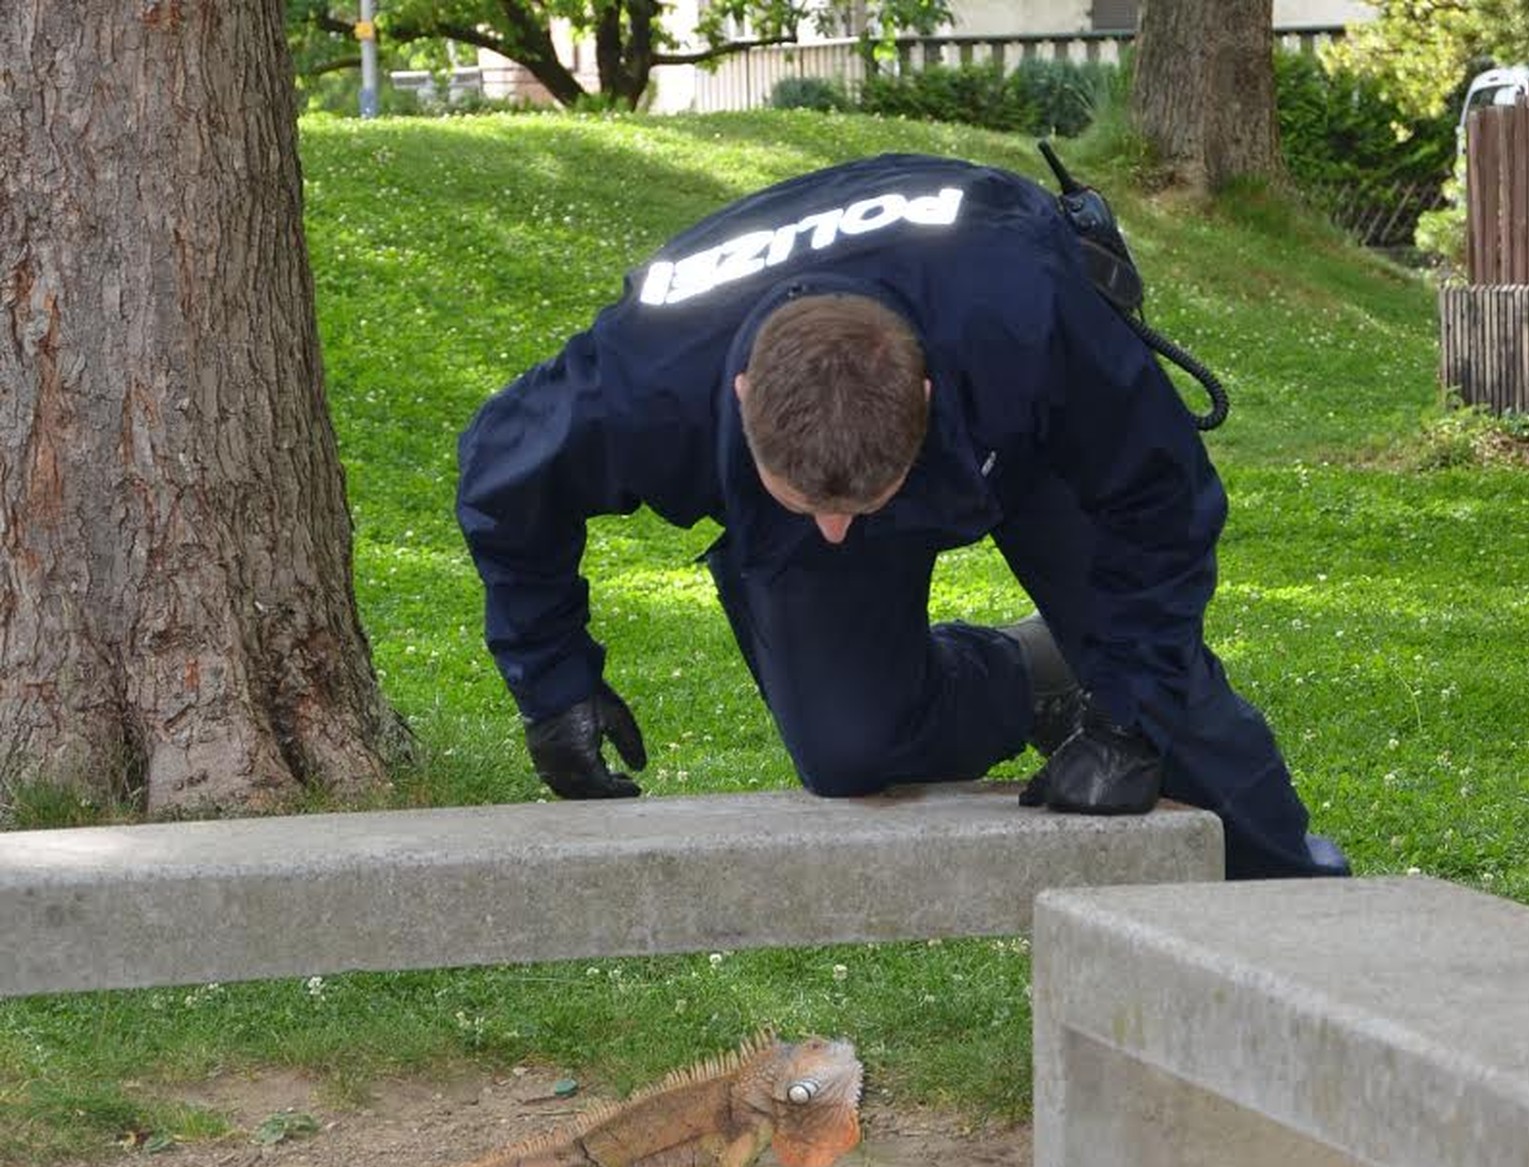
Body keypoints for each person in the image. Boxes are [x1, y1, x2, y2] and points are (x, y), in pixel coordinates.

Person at [457, 152, 1347, 880]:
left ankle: (1308, 906)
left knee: (1170, 703)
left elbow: (1163, 503)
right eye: (811, 505)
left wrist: (1131, 713)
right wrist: (553, 687)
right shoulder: (640, 387)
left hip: (1020, 423)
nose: (838, 529)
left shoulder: (1034, 319)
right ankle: (1042, 674)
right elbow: (504, 482)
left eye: (861, 505)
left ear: (923, 395)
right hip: (841, 366)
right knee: (848, 750)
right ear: (736, 398)